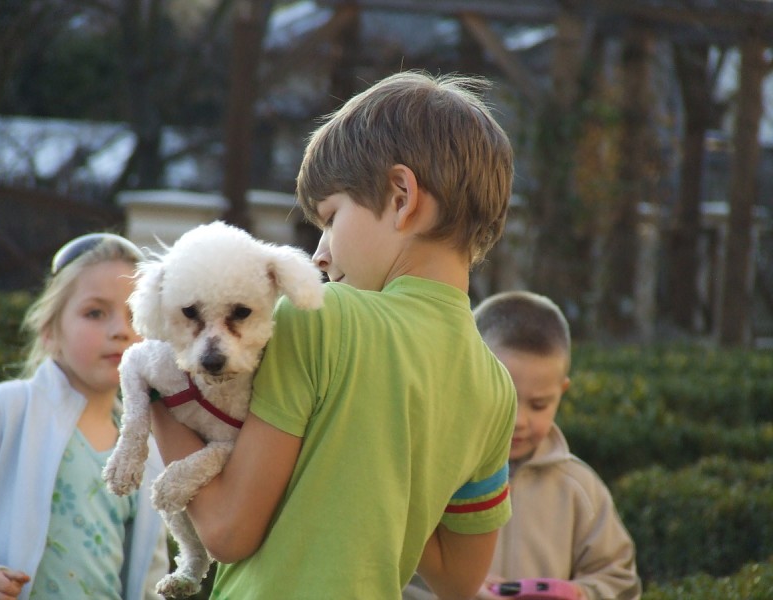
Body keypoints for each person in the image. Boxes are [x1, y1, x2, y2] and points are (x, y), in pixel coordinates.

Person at [148, 70, 518, 599]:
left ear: (400, 195)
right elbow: (459, 580)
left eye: (331, 217)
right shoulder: (496, 387)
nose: (320, 254)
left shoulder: (322, 317)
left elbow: (228, 530)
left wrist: (159, 384)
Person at [0, 233, 170, 600]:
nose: (120, 330)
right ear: (49, 331)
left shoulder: (148, 450)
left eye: (134, 315)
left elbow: (150, 575)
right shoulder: (4, 409)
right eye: (95, 312)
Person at [472, 291, 641, 600]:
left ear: (561, 392)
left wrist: (579, 594)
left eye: (538, 405)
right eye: (503, 400)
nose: (519, 421)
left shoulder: (580, 488)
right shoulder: (434, 476)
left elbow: (620, 580)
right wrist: (457, 587)